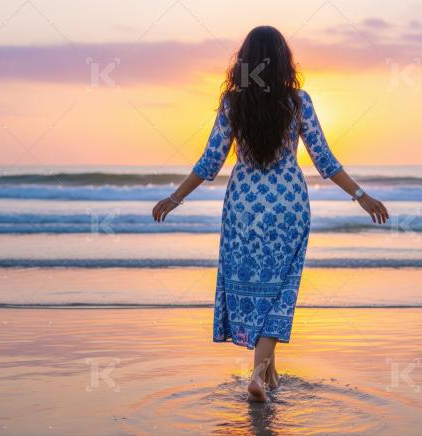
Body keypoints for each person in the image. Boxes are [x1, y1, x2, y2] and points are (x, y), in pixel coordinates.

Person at [152, 25, 389, 402]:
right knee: (281, 289)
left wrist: (174, 198)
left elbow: (210, 161)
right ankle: (262, 377)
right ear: (283, 61)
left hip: (244, 207)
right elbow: (324, 159)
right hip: (288, 205)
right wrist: (361, 195)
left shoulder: (233, 103)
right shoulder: (298, 102)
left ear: (244, 61)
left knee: (255, 287)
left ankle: (267, 375)